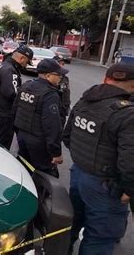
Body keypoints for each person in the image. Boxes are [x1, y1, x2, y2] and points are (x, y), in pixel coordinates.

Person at [63, 63, 134, 255]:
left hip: (79, 173)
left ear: (106, 79)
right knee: (100, 238)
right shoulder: (128, 113)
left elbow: (67, 136)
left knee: (73, 222)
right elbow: (130, 161)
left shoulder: (86, 99)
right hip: (105, 185)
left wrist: (84, 158)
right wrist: (130, 189)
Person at [13, 59, 68, 177]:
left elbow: (15, 110)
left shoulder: (26, 86)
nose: (60, 78)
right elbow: (52, 125)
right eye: (58, 75)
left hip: (22, 136)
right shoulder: (50, 94)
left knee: (25, 168)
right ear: (48, 76)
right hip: (39, 143)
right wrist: (56, 153)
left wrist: (19, 133)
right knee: (46, 175)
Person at [0, 46, 33, 149]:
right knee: (2, 145)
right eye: (27, 62)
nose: (26, 65)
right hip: (6, 113)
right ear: (22, 58)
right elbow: (11, 93)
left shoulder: (5, 65)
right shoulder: (10, 70)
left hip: (0, 110)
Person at [53, 56, 71, 126]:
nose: (61, 65)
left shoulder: (65, 78)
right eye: (59, 63)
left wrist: (67, 107)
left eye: (63, 64)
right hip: (54, 109)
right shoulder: (52, 78)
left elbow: (67, 92)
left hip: (63, 109)